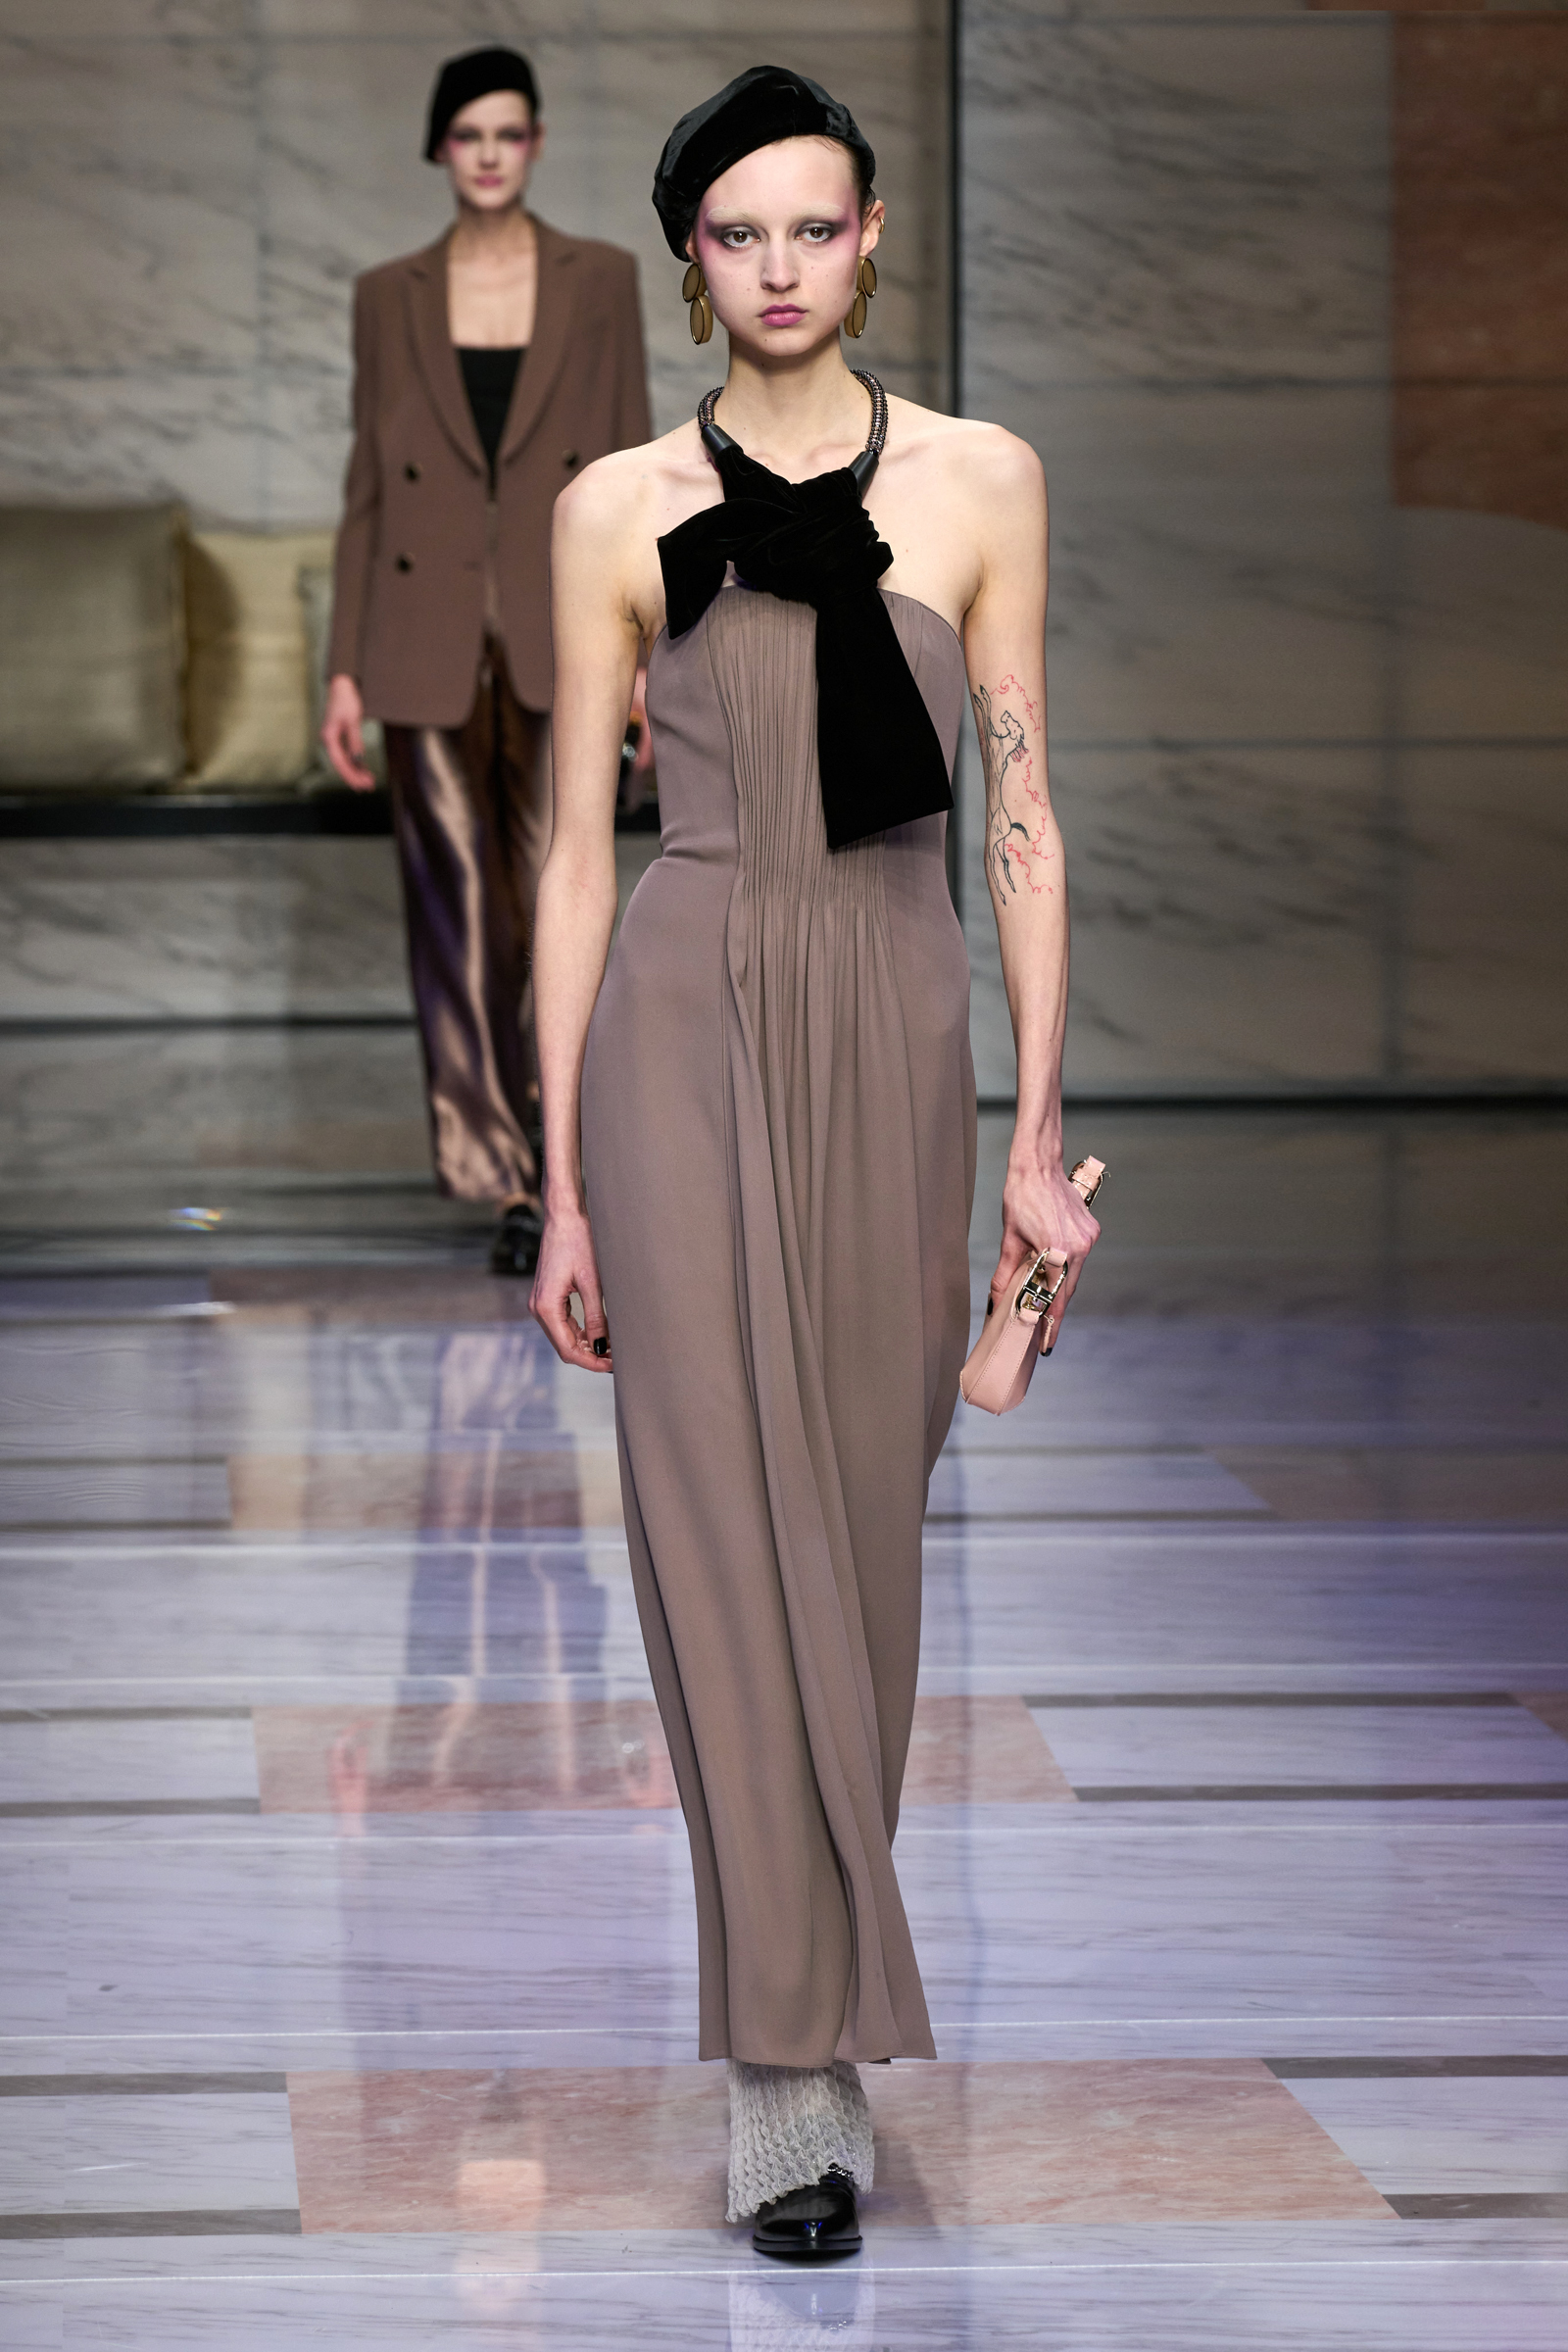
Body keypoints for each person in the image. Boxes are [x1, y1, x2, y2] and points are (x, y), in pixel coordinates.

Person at [530, 65, 1100, 2256]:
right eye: (736, 233)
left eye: (814, 227)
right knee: (712, 1544)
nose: (779, 267)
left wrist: (1039, 1122)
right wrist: (566, 1180)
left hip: (892, 1012)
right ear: (693, 261)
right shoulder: (611, 507)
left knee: (857, 1534)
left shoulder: (981, 479)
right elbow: (574, 858)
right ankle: (787, 2074)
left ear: (869, 241)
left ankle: (818, 2001)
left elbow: (1022, 813)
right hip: (679, 1022)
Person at [320, 46, 652, 1276]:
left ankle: (563, 1158)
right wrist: (344, 666)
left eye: (510, 132)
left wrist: (649, 657)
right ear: (439, 149)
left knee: (562, 898)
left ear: (538, 143)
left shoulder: (603, 280)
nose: (491, 154)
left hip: (570, 633)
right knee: (457, 919)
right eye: (469, 135)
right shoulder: (388, 295)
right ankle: (508, 1177)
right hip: (422, 637)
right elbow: (368, 485)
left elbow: (635, 474)